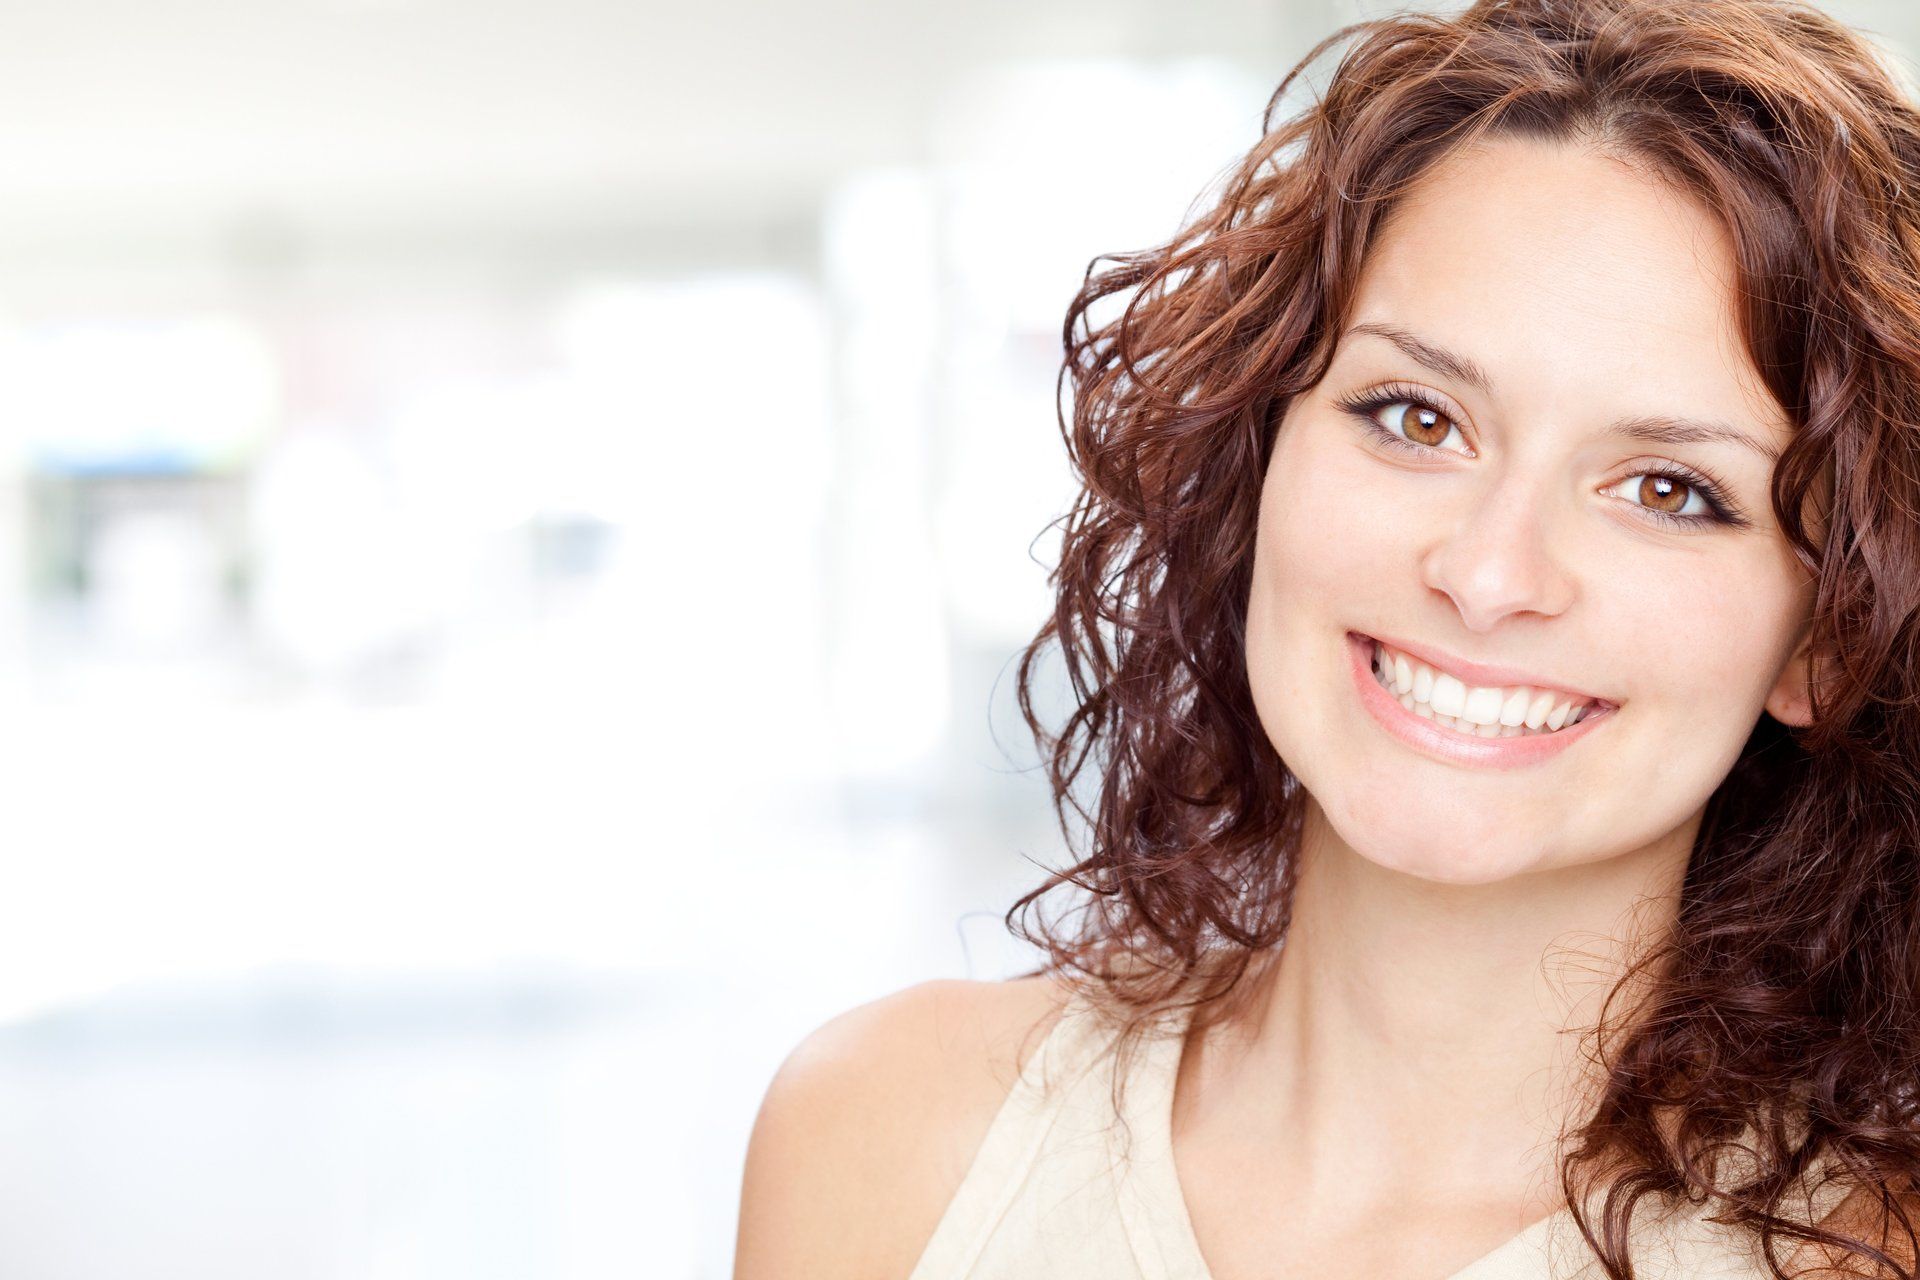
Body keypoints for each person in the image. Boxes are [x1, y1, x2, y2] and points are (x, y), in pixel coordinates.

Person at [734, 0, 1920, 1275]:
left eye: (1670, 490)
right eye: (1415, 416)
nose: (1485, 572)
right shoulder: (888, 1134)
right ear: (1261, 455)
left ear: (1830, 638)